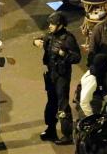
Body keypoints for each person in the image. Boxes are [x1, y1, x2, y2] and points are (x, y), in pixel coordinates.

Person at [33, 12, 81, 144]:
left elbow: (77, 57)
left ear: (60, 25)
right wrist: (35, 41)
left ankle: (67, 134)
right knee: (51, 103)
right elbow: (40, 39)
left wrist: (64, 54)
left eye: (52, 24)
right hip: (50, 74)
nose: (50, 26)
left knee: (63, 104)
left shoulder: (68, 39)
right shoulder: (50, 36)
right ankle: (51, 129)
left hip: (62, 76)